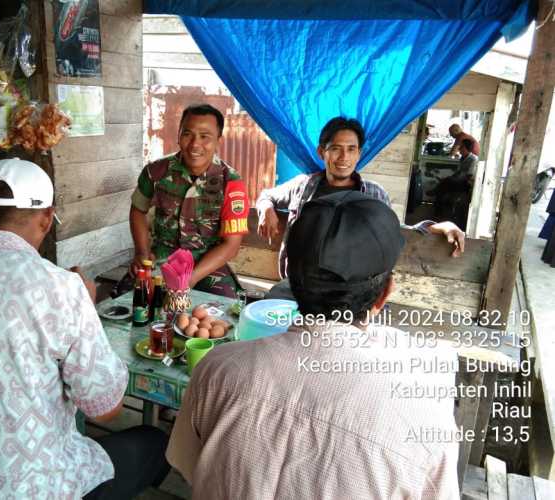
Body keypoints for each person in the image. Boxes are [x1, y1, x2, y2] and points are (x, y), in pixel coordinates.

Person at [0, 158, 169, 499]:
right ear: (47, 219)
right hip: (41, 490)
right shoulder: (62, 289)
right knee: (155, 442)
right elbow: (106, 409)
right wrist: (86, 304)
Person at [166, 191, 460, 498]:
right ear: (383, 295)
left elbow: (189, 467)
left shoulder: (216, 369)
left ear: (290, 280)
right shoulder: (426, 421)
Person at [256, 116, 466, 278]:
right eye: (335, 149)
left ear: (359, 153)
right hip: (297, 286)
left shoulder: (374, 194)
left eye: (351, 149)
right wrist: (266, 208)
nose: (343, 157)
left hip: (348, 292)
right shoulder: (303, 186)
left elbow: (395, 231)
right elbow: (266, 195)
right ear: (322, 152)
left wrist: (440, 226)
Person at [129, 103, 250, 297]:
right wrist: (141, 253)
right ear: (178, 135)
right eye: (187, 134)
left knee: (226, 311)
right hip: (161, 256)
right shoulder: (155, 172)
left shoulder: (231, 182)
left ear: (218, 140)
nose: (195, 144)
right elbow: (137, 210)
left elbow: (231, 245)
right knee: (130, 299)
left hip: (206, 263)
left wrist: (191, 278)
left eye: (205, 136)